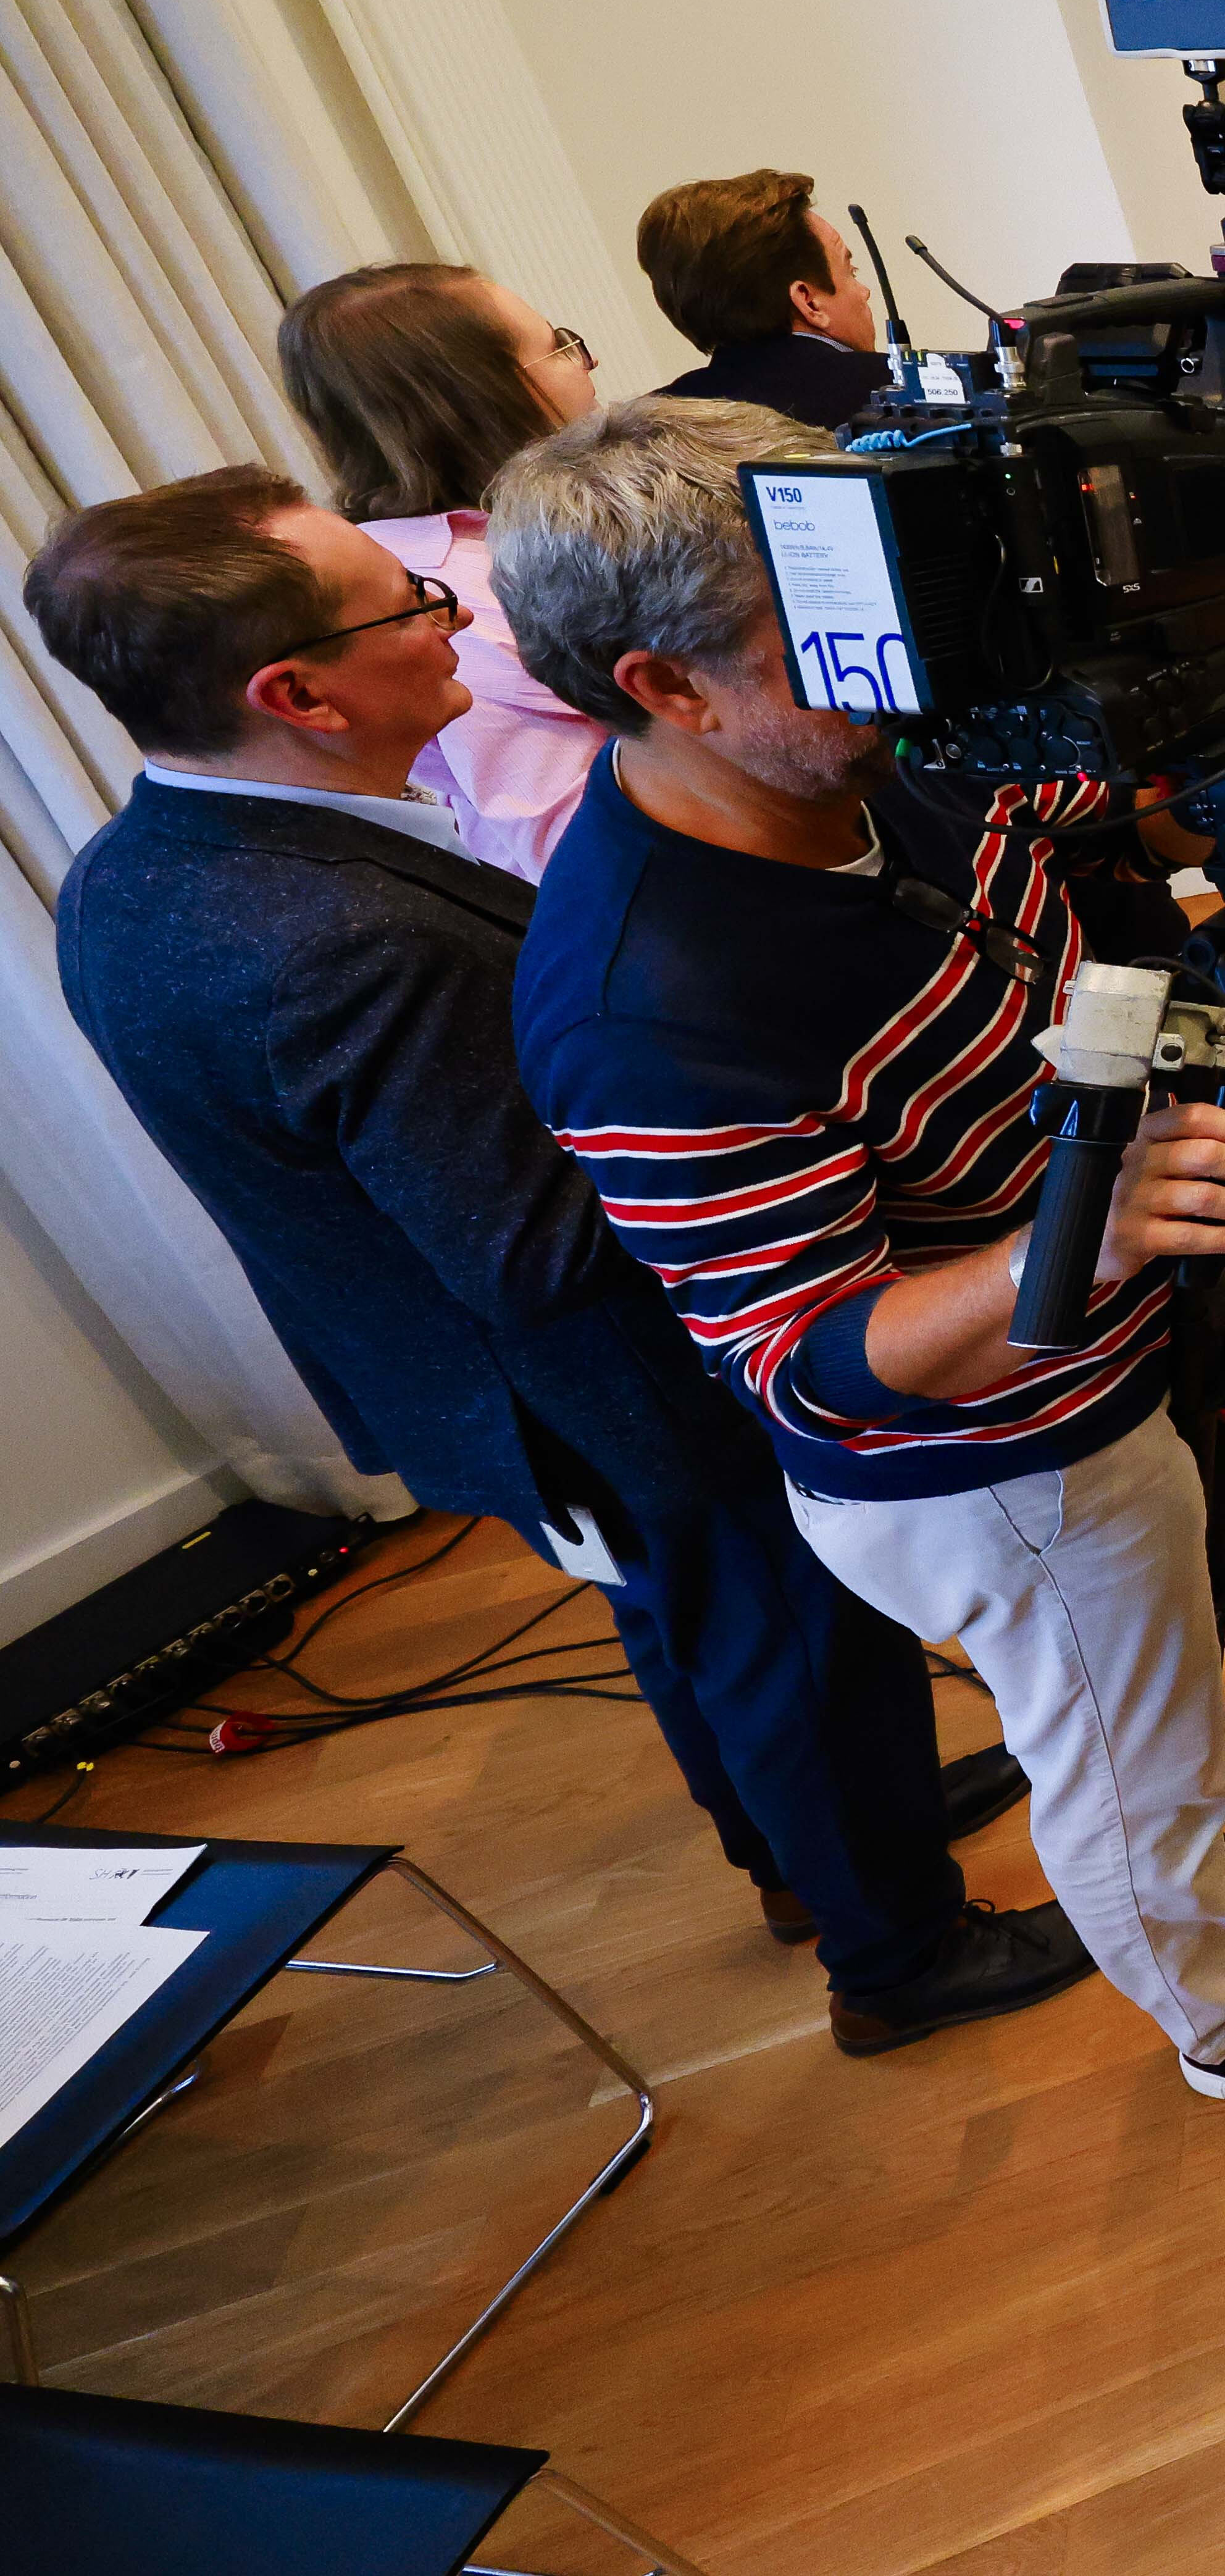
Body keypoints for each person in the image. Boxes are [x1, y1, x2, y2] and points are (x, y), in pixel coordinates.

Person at [495, 398, 1225, 2136]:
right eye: (822, 643)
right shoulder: (646, 1007)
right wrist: (1076, 1234)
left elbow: (1065, 827)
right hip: (999, 1464)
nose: (899, 668)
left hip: (1143, 1324)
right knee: (1132, 1757)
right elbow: (807, 1361)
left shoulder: (876, 745)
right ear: (664, 688)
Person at [24, 469, 1074, 2054]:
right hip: (602, 1371)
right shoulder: (337, 936)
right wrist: (746, 1114)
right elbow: (536, 1237)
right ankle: (899, 1949)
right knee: (795, 1628)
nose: (459, 615)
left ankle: (806, 1855)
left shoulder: (141, 860)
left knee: (698, 1626)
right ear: (294, 693)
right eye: (410, 606)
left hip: (461, 1371)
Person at [273, 260, 616, 879]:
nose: (589, 363)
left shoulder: (524, 523)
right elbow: (575, 846)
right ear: (484, 397)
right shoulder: (451, 595)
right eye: (560, 347)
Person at [638, 168, 893, 430]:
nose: (865, 292)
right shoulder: (895, 390)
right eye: (851, 273)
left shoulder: (647, 430)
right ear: (808, 302)